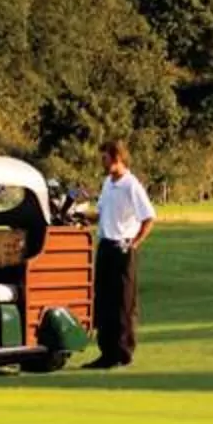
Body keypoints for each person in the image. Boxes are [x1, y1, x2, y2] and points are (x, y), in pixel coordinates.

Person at [89, 137, 155, 369]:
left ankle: (123, 352)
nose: (102, 162)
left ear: (117, 158)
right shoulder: (108, 183)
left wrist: (135, 243)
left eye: (105, 158)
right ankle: (106, 352)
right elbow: (101, 213)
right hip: (105, 245)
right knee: (104, 300)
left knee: (123, 303)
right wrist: (81, 216)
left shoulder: (131, 185)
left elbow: (148, 218)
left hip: (123, 247)